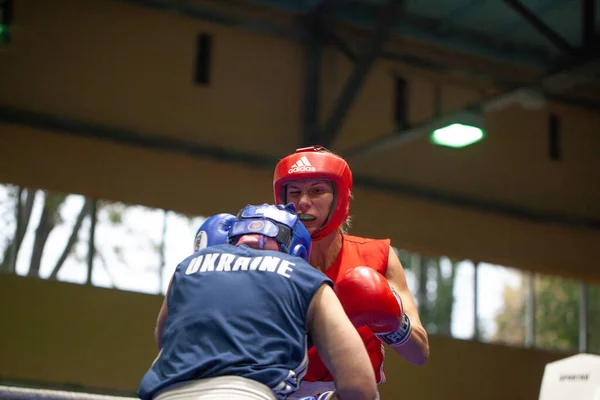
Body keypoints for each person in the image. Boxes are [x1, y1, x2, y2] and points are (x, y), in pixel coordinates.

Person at [137, 203, 378, 400]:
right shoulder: (306, 276)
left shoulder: (189, 265)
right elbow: (360, 386)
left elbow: (165, 342)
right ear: (298, 250)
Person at [272, 146, 431, 397]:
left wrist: (390, 322)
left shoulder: (376, 256)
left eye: (317, 191)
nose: (302, 202)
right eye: (294, 192)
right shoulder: (270, 262)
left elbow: (419, 353)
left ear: (340, 198)